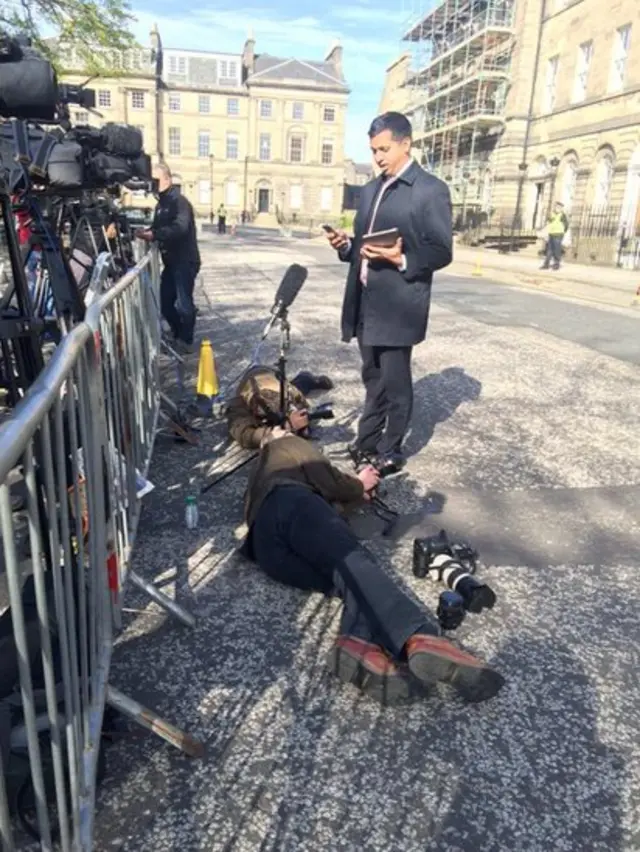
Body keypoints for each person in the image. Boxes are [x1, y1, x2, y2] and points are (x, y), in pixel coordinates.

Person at [226, 385, 505, 706]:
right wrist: (360, 482)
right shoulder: (286, 445)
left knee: (352, 581)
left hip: (267, 551)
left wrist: (354, 498)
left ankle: (358, 641)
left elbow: (322, 508)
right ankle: (420, 635)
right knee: (358, 562)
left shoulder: (262, 476)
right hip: (292, 507)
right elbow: (324, 478)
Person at [326, 112, 453, 477]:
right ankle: (366, 441)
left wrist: (402, 258)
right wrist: (345, 245)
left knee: (395, 382)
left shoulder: (429, 190)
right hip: (365, 299)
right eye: (373, 150)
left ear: (405, 144)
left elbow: (441, 250)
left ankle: (390, 448)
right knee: (372, 376)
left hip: (398, 305)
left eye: (384, 149)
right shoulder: (370, 190)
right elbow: (364, 245)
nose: (377, 157)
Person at [137, 164, 200, 353]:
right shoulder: (161, 204)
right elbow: (157, 228)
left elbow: (180, 228)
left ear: (167, 179)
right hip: (171, 262)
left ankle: (186, 340)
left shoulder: (179, 202)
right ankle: (179, 333)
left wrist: (155, 235)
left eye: (156, 179)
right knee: (165, 302)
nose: (153, 184)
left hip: (185, 261)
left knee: (184, 304)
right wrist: (149, 232)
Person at [541, 201, 570, 271]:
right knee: (549, 250)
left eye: (559, 207)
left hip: (558, 234)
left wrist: (563, 231)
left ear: (561, 208)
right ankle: (546, 265)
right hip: (551, 234)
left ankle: (556, 264)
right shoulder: (552, 214)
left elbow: (566, 225)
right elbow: (548, 222)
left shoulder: (563, 215)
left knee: (557, 250)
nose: (558, 208)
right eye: (557, 207)